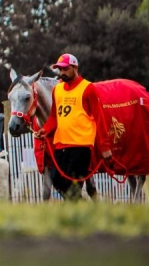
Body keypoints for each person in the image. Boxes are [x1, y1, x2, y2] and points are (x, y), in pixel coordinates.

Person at [41, 53, 109, 201]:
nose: (62, 73)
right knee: (56, 180)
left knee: (73, 186)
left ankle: (76, 214)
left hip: (81, 146)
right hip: (60, 145)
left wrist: (104, 147)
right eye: (60, 69)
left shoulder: (88, 88)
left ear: (75, 67)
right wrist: (44, 130)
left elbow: (100, 118)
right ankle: (80, 208)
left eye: (65, 69)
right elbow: (54, 116)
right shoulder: (57, 90)